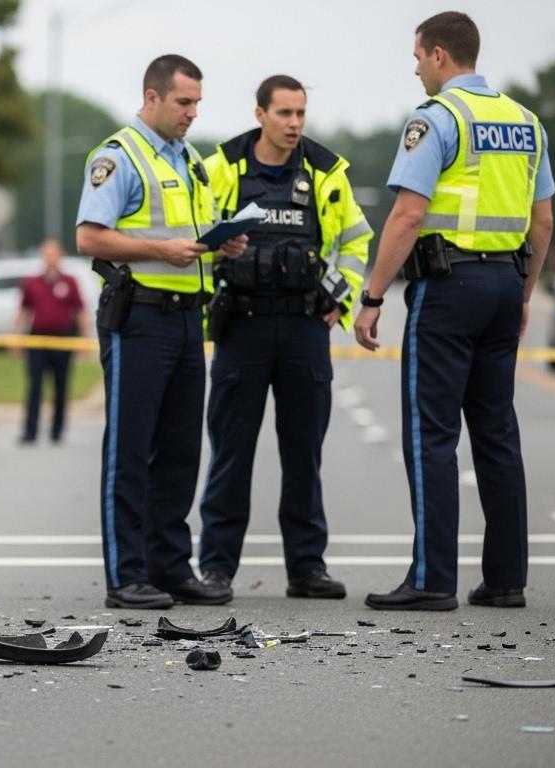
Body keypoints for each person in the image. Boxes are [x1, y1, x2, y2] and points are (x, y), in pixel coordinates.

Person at [355, 11, 554, 610]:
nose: (415, 68)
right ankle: (505, 580)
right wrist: (522, 294)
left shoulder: (438, 118)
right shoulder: (527, 123)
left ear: (440, 55)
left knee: (431, 434)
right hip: (503, 285)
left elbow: (408, 215)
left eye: (418, 56)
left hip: (447, 289)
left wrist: (371, 298)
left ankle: (432, 578)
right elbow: (542, 221)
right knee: (496, 433)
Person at [76, 54, 247, 609]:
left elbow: (188, 236)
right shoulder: (118, 157)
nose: (193, 112)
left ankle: (170, 568)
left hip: (186, 318)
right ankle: (126, 576)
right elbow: (90, 238)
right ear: (152, 98)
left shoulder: (190, 160)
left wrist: (222, 243)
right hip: (140, 318)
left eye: (197, 102)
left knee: (179, 451)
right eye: (183, 102)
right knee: (130, 449)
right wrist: (160, 250)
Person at [195, 75, 372, 603]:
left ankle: (307, 568)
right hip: (242, 327)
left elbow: (356, 242)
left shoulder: (325, 170)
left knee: (303, 454)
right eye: (284, 114)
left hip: (303, 329)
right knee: (230, 452)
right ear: (260, 114)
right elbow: (195, 238)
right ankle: (216, 569)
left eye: (300, 114)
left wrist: (340, 299)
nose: (294, 124)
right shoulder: (221, 168)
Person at [12, 238, 89, 445]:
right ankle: (30, 431)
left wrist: (83, 340)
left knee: (61, 386)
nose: (50, 258)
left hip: (63, 338)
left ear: (60, 256)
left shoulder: (70, 282)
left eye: (54, 254)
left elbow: (80, 311)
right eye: (47, 254)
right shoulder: (32, 282)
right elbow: (23, 310)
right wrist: (16, 337)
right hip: (37, 339)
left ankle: (57, 431)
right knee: (35, 385)